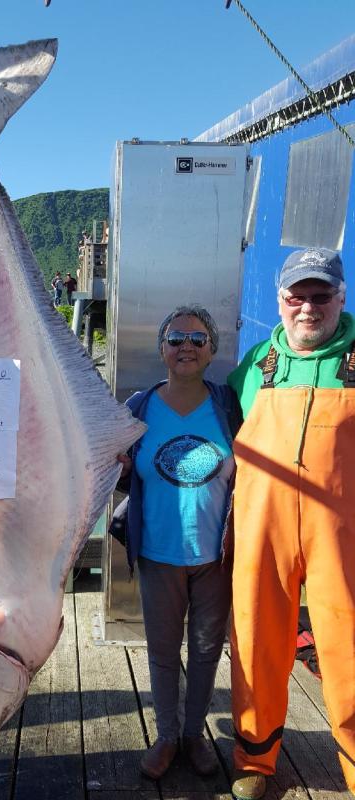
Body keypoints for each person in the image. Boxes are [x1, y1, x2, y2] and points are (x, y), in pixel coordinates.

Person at [227, 247, 355, 800]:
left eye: (320, 295)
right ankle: (256, 762)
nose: (308, 307)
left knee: (349, 646)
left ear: (341, 298)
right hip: (262, 532)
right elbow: (215, 444)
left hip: (342, 539)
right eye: (296, 295)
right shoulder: (255, 366)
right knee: (256, 640)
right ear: (280, 300)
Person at [116, 305, 241, 780]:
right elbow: (111, 465)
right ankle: (166, 736)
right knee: (163, 651)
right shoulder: (138, 408)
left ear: (212, 349)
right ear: (161, 349)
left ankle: (194, 734)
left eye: (196, 338)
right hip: (157, 554)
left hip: (216, 555)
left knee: (207, 649)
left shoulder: (229, 406)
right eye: (175, 338)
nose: (185, 346)